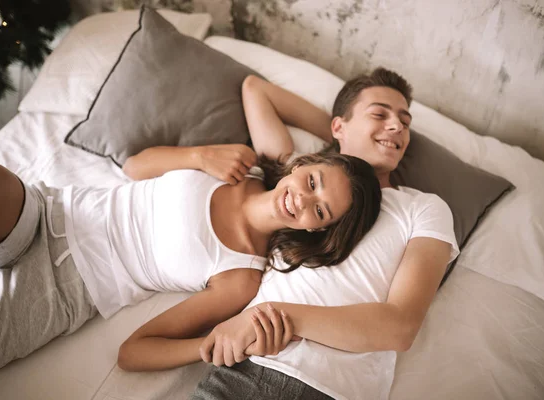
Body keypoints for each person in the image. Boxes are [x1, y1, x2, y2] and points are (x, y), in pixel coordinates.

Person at [0, 144, 380, 375]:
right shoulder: (238, 165)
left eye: (320, 211)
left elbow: (132, 352)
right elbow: (134, 166)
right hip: (51, 210)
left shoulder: (241, 277)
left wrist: (212, 346)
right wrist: (199, 156)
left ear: (316, 230)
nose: (303, 200)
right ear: (301, 166)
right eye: (313, 182)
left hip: (62, 288)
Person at [190, 68, 460, 399]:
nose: (397, 127)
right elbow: (255, 89)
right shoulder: (300, 181)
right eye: (380, 113)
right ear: (338, 125)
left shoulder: (423, 208)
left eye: (405, 122)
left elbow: (400, 328)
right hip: (244, 370)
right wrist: (340, 141)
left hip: (332, 388)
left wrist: (275, 315)